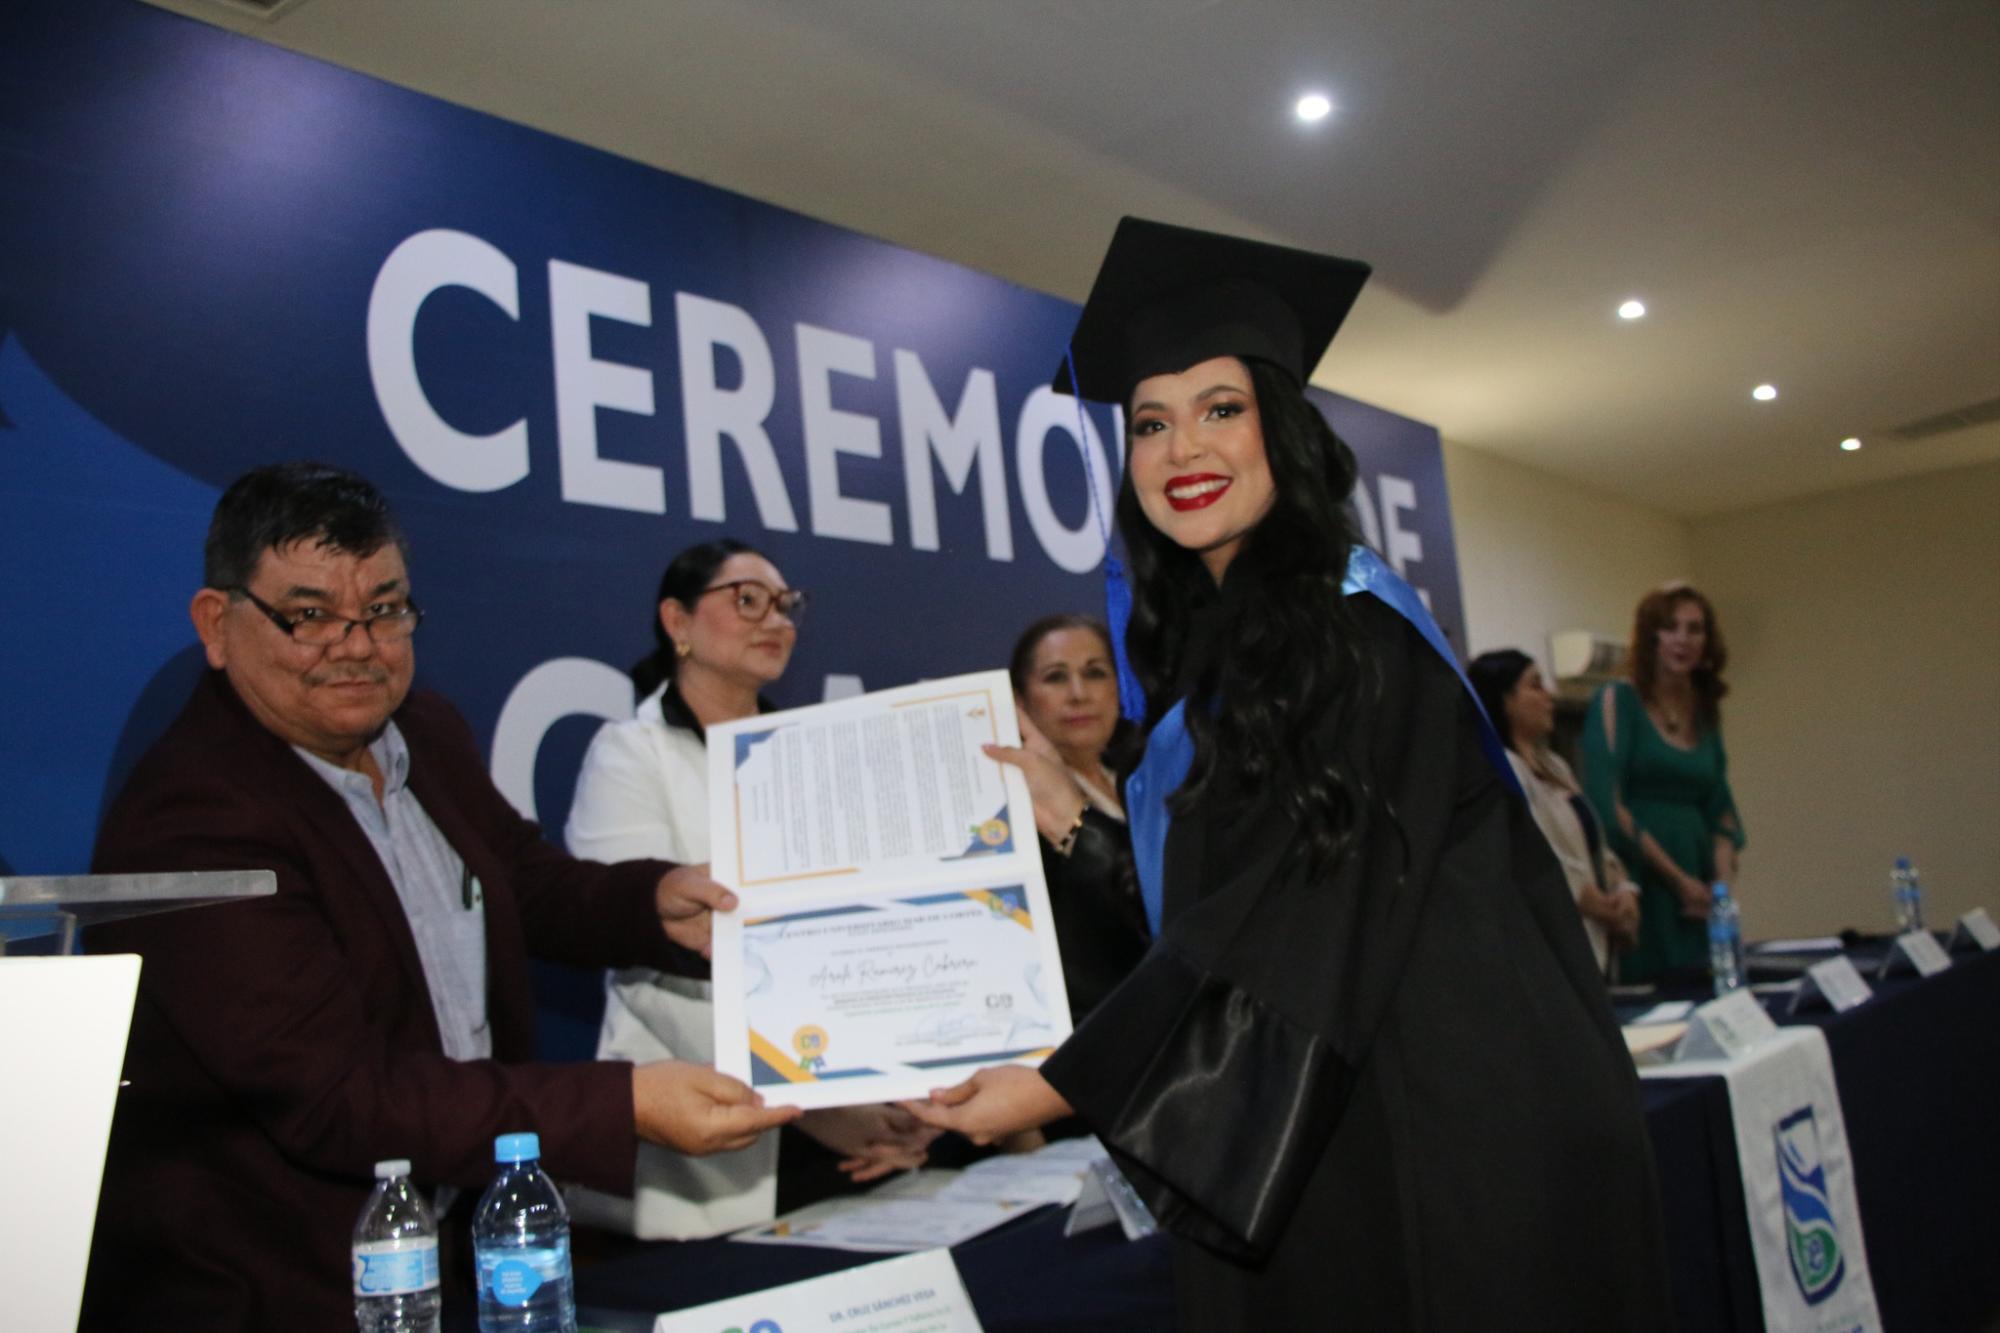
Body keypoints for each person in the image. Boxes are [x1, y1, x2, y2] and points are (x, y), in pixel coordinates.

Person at [904, 218, 1671, 1329]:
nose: (1183, 449)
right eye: (1151, 423)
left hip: (1454, 1137)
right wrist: (1072, 814)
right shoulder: (1237, 652)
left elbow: (1302, 908)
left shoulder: (1352, 634)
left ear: (1284, 429)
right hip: (1366, 1116)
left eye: (1221, 408)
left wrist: (1066, 1079)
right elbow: (1233, 895)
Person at [82, 464, 798, 1332]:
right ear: (217, 624)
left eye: (384, 609)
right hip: (277, 1292)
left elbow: (524, 881)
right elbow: (342, 1095)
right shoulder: (194, 817)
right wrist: (624, 1103)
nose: (356, 645)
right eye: (310, 615)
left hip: (452, 1268)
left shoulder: (425, 732)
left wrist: (652, 903)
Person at [564, 538, 935, 1238]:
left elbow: (861, 937)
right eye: (748, 601)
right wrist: (811, 1102)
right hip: (715, 1114)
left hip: (850, 1118)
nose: (776, 621)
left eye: (786, 605)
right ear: (677, 620)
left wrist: (905, 1092)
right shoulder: (629, 754)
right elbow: (644, 959)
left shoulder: (811, 756)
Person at [1581, 582, 1746, 984]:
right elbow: (1607, 803)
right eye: (1671, 627)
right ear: (1651, 635)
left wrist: (1720, 891)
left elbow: (1721, 809)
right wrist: (1677, 880)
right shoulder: (1617, 700)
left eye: (1695, 629)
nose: (1682, 640)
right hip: (1643, 875)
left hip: (1699, 883)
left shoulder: (1705, 710)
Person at [1005, 613, 1147, 1021]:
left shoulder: (1155, 780)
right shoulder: (1016, 811)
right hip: (1094, 1026)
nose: (1079, 694)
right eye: (1055, 677)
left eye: (1095, 673)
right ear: (1020, 700)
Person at [1469, 648, 1641, 974]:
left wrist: (1623, 890)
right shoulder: (1503, 772)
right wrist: (1591, 900)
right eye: (1535, 685)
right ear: (1505, 700)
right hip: (1554, 942)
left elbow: (1594, 843)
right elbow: (1535, 852)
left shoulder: (1556, 766)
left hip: (1598, 938)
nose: (1550, 696)